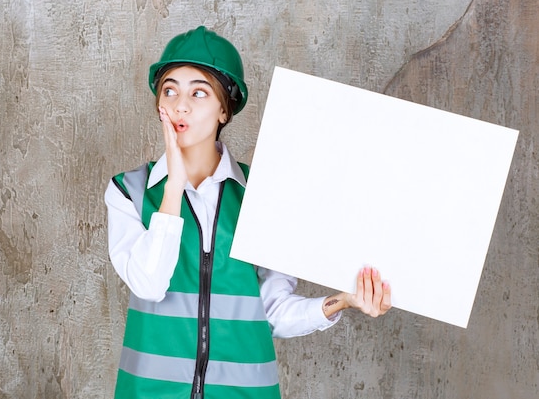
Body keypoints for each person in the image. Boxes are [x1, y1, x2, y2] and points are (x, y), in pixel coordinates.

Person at [105, 26, 392, 399]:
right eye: (170, 89)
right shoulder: (129, 191)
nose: (181, 105)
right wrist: (173, 185)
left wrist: (345, 300)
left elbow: (272, 311)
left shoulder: (261, 197)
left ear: (225, 109)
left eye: (199, 92)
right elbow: (148, 283)